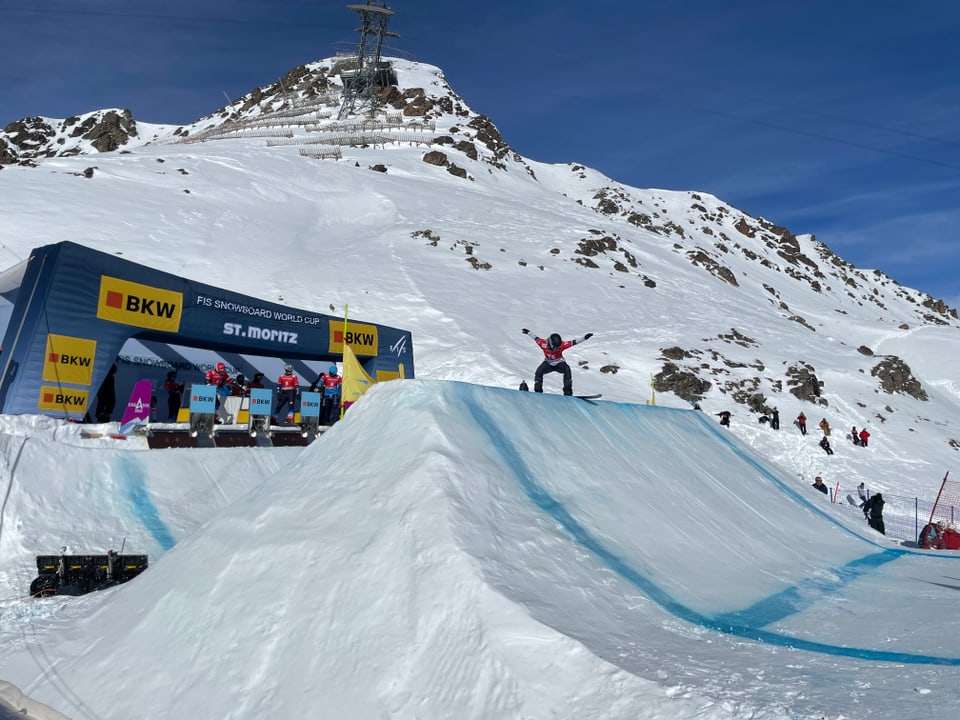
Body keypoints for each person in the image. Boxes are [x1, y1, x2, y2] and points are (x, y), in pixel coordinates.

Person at [521, 328, 593, 396]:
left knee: (567, 369)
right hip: (548, 364)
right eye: (555, 347)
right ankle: (538, 392)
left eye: (558, 347)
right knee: (539, 372)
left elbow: (573, 342)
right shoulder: (543, 344)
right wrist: (528, 332)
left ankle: (568, 392)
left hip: (560, 364)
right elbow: (536, 338)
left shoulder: (562, 345)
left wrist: (585, 338)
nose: (557, 349)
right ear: (550, 343)